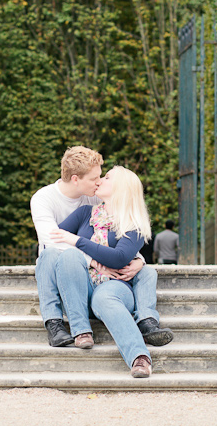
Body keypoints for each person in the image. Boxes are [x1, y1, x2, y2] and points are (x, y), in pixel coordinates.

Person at [31, 147, 173, 349]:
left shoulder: (95, 197)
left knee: (147, 273)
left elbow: (118, 235)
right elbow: (51, 239)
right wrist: (94, 263)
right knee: (49, 253)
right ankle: (54, 323)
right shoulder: (43, 198)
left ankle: (146, 323)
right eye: (95, 178)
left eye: (102, 177)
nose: (99, 182)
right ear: (75, 179)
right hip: (60, 266)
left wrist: (138, 259)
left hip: (99, 278)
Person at [49, 166, 158, 377]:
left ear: (121, 188)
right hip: (82, 288)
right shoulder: (84, 214)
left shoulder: (132, 224)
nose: (100, 180)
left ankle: (140, 358)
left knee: (104, 297)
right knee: (70, 257)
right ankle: (81, 330)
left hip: (116, 288)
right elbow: (55, 240)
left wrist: (78, 241)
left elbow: (119, 258)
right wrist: (87, 258)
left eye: (107, 178)